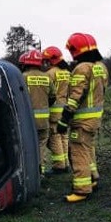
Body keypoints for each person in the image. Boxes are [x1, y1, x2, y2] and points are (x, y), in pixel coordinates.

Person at [57, 33, 108, 203]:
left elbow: (75, 97)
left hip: (82, 120)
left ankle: (81, 190)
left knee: (78, 153)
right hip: (95, 119)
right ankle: (93, 178)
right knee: (88, 150)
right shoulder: (101, 67)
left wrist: (64, 119)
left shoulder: (81, 68)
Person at [19, 49, 54, 175]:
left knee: (27, 146)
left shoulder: (23, 77)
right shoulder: (47, 77)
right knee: (41, 146)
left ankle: (29, 173)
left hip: (27, 120)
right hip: (44, 121)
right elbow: (53, 96)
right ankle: (41, 172)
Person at [42, 46, 71, 174]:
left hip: (54, 110)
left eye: (46, 60)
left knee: (55, 137)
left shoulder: (50, 73)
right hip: (65, 108)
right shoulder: (68, 72)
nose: (45, 63)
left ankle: (59, 166)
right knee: (64, 136)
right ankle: (66, 164)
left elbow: (48, 93)